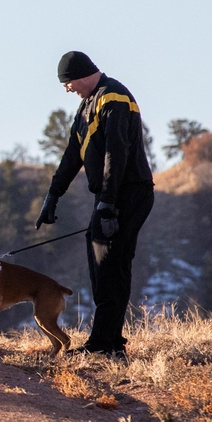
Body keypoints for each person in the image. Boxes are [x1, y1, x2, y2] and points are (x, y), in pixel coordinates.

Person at [34, 51, 154, 358]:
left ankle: (104, 345)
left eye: (68, 82)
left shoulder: (113, 97)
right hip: (110, 196)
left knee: (110, 265)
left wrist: (109, 203)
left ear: (82, 74)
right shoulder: (87, 106)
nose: (67, 89)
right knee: (103, 263)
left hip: (129, 193)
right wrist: (53, 196)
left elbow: (118, 152)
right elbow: (72, 155)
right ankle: (109, 343)